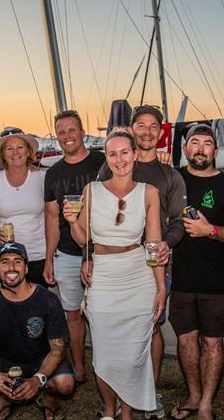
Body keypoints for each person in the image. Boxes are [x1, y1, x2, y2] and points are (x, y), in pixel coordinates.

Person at [65, 130, 165, 420]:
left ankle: (127, 412)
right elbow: (82, 239)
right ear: (106, 158)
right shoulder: (91, 191)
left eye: (124, 152)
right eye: (112, 153)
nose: (119, 159)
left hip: (138, 276)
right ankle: (109, 411)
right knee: (106, 353)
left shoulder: (149, 192)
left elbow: (154, 244)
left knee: (134, 354)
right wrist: (72, 220)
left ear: (135, 154)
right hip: (104, 276)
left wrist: (160, 288)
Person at [97, 105, 185, 418]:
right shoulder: (110, 169)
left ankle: (149, 391)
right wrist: (88, 259)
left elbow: (177, 221)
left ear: (161, 132)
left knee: (150, 330)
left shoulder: (169, 174)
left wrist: (165, 245)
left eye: (153, 126)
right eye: (140, 125)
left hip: (155, 263)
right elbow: (95, 217)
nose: (147, 131)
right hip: (113, 267)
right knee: (114, 332)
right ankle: (118, 395)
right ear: (132, 130)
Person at [168, 124, 224, 420]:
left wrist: (208, 230)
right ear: (185, 149)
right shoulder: (173, 180)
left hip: (219, 280)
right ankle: (193, 396)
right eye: (194, 143)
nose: (200, 148)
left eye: (206, 143)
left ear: (216, 151)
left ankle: (207, 403)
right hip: (182, 279)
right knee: (186, 340)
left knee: (212, 342)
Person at [0, 242, 75, 420]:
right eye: (4, 262)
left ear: (26, 268)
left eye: (17, 261)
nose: (11, 267)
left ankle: (46, 396)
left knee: (65, 384)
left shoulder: (48, 300)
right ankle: (6, 396)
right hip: (5, 361)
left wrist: (37, 379)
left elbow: (58, 349)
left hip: (41, 360)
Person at [42, 109, 105, 384]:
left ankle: (106, 367)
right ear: (57, 137)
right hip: (67, 253)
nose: (67, 136)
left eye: (72, 130)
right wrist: (48, 260)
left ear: (82, 132)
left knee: (103, 314)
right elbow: (52, 219)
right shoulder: (53, 174)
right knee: (73, 315)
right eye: (61, 132)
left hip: (103, 252)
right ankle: (79, 367)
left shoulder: (103, 162)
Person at [0, 127, 48, 286]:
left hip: (38, 252)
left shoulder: (42, 177)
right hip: (8, 254)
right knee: (10, 303)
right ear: (3, 155)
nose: (15, 152)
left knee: (39, 303)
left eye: (20, 147)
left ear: (28, 152)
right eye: (9, 148)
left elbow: (52, 216)